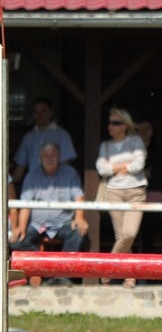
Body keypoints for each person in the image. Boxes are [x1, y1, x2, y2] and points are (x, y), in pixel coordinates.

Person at [11, 143, 90, 284]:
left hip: (62, 223)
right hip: (37, 224)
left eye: (53, 155)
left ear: (59, 157)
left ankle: (61, 277)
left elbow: (79, 197)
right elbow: (25, 204)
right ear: (40, 158)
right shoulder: (32, 175)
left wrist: (79, 217)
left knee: (79, 232)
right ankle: (47, 269)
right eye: (46, 156)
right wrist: (20, 227)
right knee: (16, 240)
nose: (49, 158)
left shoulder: (69, 173)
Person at [95, 107, 147, 288]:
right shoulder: (105, 145)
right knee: (122, 236)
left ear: (125, 125)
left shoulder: (135, 140)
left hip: (136, 191)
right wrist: (124, 165)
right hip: (113, 191)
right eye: (109, 122)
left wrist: (114, 167)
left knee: (129, 234)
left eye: (116, 123)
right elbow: (102, 169)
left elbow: (139, 165)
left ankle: (106, 270)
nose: (111, 126)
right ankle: (130, 276)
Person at [12, 98, 78, 183]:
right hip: (33, 187)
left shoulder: (62, 135)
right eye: (36, 112)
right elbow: (20, 166)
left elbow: (65, 165)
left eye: (43, 112)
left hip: (56, 186)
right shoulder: (28, 137)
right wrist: (8, 186)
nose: (40, 115)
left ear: (51, 112)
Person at [135, 119, 162, 255]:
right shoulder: (132, 150)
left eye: (146, 129)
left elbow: (155, 172)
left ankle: (146, 273)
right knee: (130, 234)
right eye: (139, 129)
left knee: (148, 233)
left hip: (153, 195)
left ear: (152, 131)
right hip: (133, 194)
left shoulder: (158, 150)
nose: (143, 132)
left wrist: (137, 172)